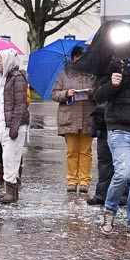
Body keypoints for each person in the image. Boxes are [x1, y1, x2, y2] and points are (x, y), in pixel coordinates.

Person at [80, 21, 130, 239]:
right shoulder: (115, 68)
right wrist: (113, 83)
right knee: (122, 174)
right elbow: (97, 96)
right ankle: (109, 212)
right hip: (120, 131)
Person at [51, 45, 96, 194]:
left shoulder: (92, 75)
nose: (80, 60)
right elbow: (55, 94)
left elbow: (100, 92)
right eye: (78, 57)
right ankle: (72, 180)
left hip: (88, 117)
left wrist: (92, 93)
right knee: (72, 151)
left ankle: (84, 181)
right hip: (69, 117)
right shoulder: (63, 75)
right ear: (73, 58)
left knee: (86, 151)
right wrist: (66, 93)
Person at [0, 48, 30, 204]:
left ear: (7, 62)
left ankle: (11, 189)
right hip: (5, 125)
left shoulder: (17, 78)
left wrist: (14, 127)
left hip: (14, 126)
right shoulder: (2, 79)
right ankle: (11, 190)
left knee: (10, 158)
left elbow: (20, 104)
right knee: (7, 157)